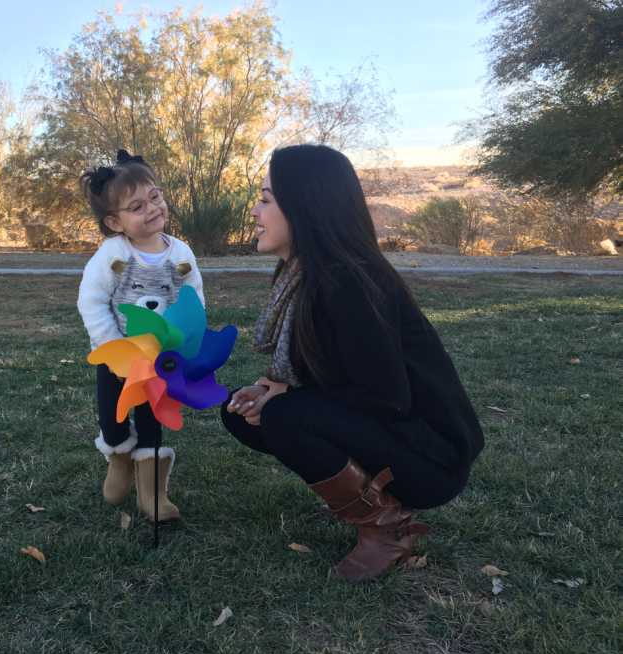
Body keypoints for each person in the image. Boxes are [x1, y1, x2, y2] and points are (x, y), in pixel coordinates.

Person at [220, 144, 484, 581]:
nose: (254, 211)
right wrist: (270, 386)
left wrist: (286, 397)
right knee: (242, 413)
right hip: (394, 437)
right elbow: (323, 366)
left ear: (305, 206)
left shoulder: (349, 283)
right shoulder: (304, 274)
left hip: (431, 458)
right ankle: (360, 496)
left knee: (284, 415)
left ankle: (386, 530)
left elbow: (387, 397)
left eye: (266, 200)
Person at [78, 149, 204, 522]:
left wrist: (185, 341)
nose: (152, 208)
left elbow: (192, 298)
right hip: (117, 358)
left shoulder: (180, 252)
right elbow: (92, 301)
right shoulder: (112, 254)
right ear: (115, 222)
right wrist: (113, 348)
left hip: (160, 361)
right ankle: (118, 459)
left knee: (153, 423)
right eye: (137, 206)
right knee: (113, 421)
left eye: (155, 196)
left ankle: (152, 493)